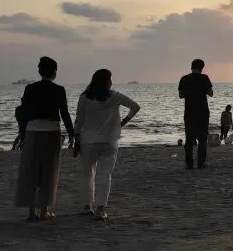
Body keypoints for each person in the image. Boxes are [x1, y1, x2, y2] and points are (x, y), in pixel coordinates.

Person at [72, 69, 140, 222]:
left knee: (87, 174)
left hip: (88, 141)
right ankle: (100, 209)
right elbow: (135, 107)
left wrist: (76, 138)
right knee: (104, 174)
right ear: (107, 81)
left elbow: (79, 120)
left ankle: (87, 206)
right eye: (110, 79)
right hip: (109, 140)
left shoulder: (84, 97)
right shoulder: (115, 96)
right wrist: (124, 121)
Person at [15, 56, 75, 221]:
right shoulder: (59, 90)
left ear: (39, 71)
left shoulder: (29, 88)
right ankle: (44, 210)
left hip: (32, 131)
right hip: (52, 131)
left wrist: (22, 135)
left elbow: (24, 114)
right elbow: (64, 113)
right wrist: (72, 133)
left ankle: (31, 211)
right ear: (55, 72)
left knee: (31, 171)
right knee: (49, 171)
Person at [178, 59, 214, 170]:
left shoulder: (184, 79)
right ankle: (201, 163)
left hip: (189, 112)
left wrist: (190, 92)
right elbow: (211, 93)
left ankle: (189, 164)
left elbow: (181, 95)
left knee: (189, 139)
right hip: (203, 112)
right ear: (202, 68)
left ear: (191, 67)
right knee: (202, 139)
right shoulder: (204, 78)